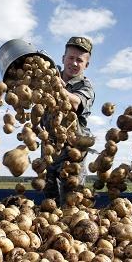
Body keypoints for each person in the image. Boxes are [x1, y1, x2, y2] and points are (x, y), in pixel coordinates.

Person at [41, 36, 95, 205]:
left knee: (72, 200)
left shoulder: (86, 87)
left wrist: (57, 86)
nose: (74, 63)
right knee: (49, 200)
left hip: (73, 152)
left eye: (80, 60)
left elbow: (75, 103)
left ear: (86, 64)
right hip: (49, 148)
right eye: (71, 58)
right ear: (63, 58)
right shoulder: (49, 74)